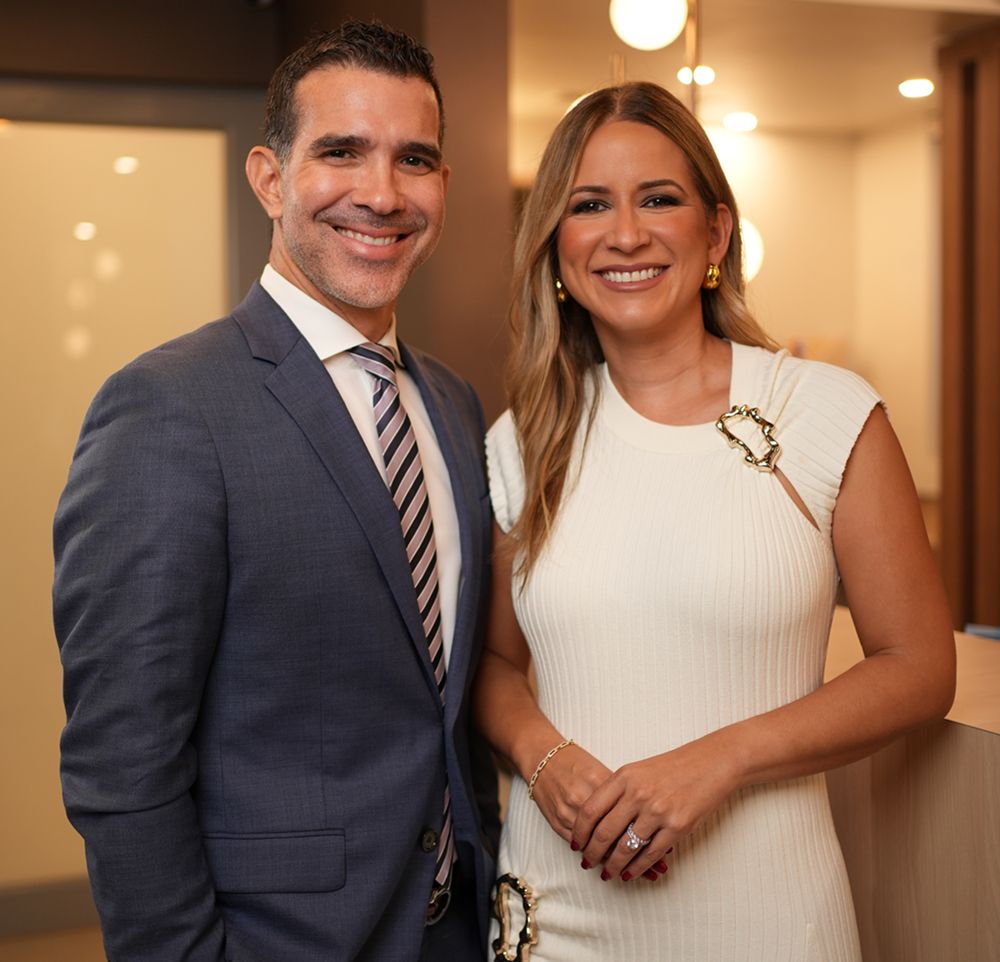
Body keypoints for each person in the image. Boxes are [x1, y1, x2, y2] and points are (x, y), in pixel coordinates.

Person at [474, 81, 955, 962]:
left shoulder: (824, 414)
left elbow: (920, 667)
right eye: (589, 206)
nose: (626, 233)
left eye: (659, 198)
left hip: (767, 912)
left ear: (717, 233)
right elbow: (497, 666)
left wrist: (721, 760)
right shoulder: (521, 441)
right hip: (560, 908)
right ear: (555, 249)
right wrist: (544, 759)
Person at [53, 20, 498, 962]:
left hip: (457, 933)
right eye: (342, 152)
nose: (381, 193)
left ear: (443, 189)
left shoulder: (454, 406)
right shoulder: (169, 408)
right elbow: (121, 763)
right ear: (269, 176)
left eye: (413, 159)